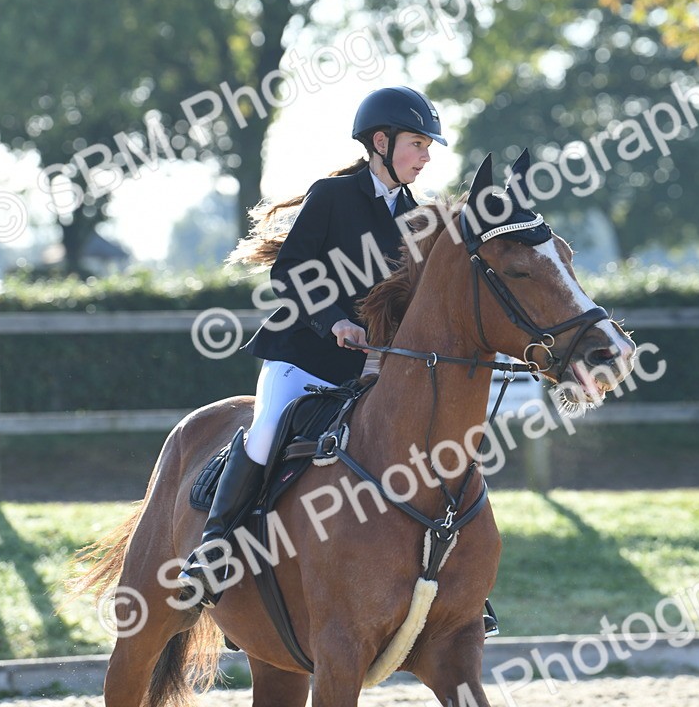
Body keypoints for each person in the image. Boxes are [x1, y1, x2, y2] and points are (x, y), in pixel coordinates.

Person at [178, 86, 498, 638]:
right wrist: (335, 323)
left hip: (367, 371)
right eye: (417, 144)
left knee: (426, 446)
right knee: (263, 435)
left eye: (428, 147)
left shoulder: (419, 218)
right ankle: (215, 548)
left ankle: (453, 582)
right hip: (300, 358)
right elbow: (289, 276)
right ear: (381, 142)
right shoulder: (332, 196)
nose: (426, 157)